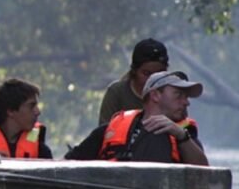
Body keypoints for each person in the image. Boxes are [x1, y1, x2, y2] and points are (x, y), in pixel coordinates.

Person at [66, 71, 208, 165]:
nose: (186, 102)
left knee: (157, 137)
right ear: (155, 95)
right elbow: (67, 164)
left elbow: (205, 174)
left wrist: (181, 136)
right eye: (179, 95)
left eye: (186, 97)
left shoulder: (184, 135)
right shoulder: (108, 130)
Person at [98, 38, 169, 125]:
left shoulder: (171, 95)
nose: (153, 79)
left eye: (159, 73)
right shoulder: (117, 93)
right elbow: (103, 131)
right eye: (146, 73)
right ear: (135, 70)